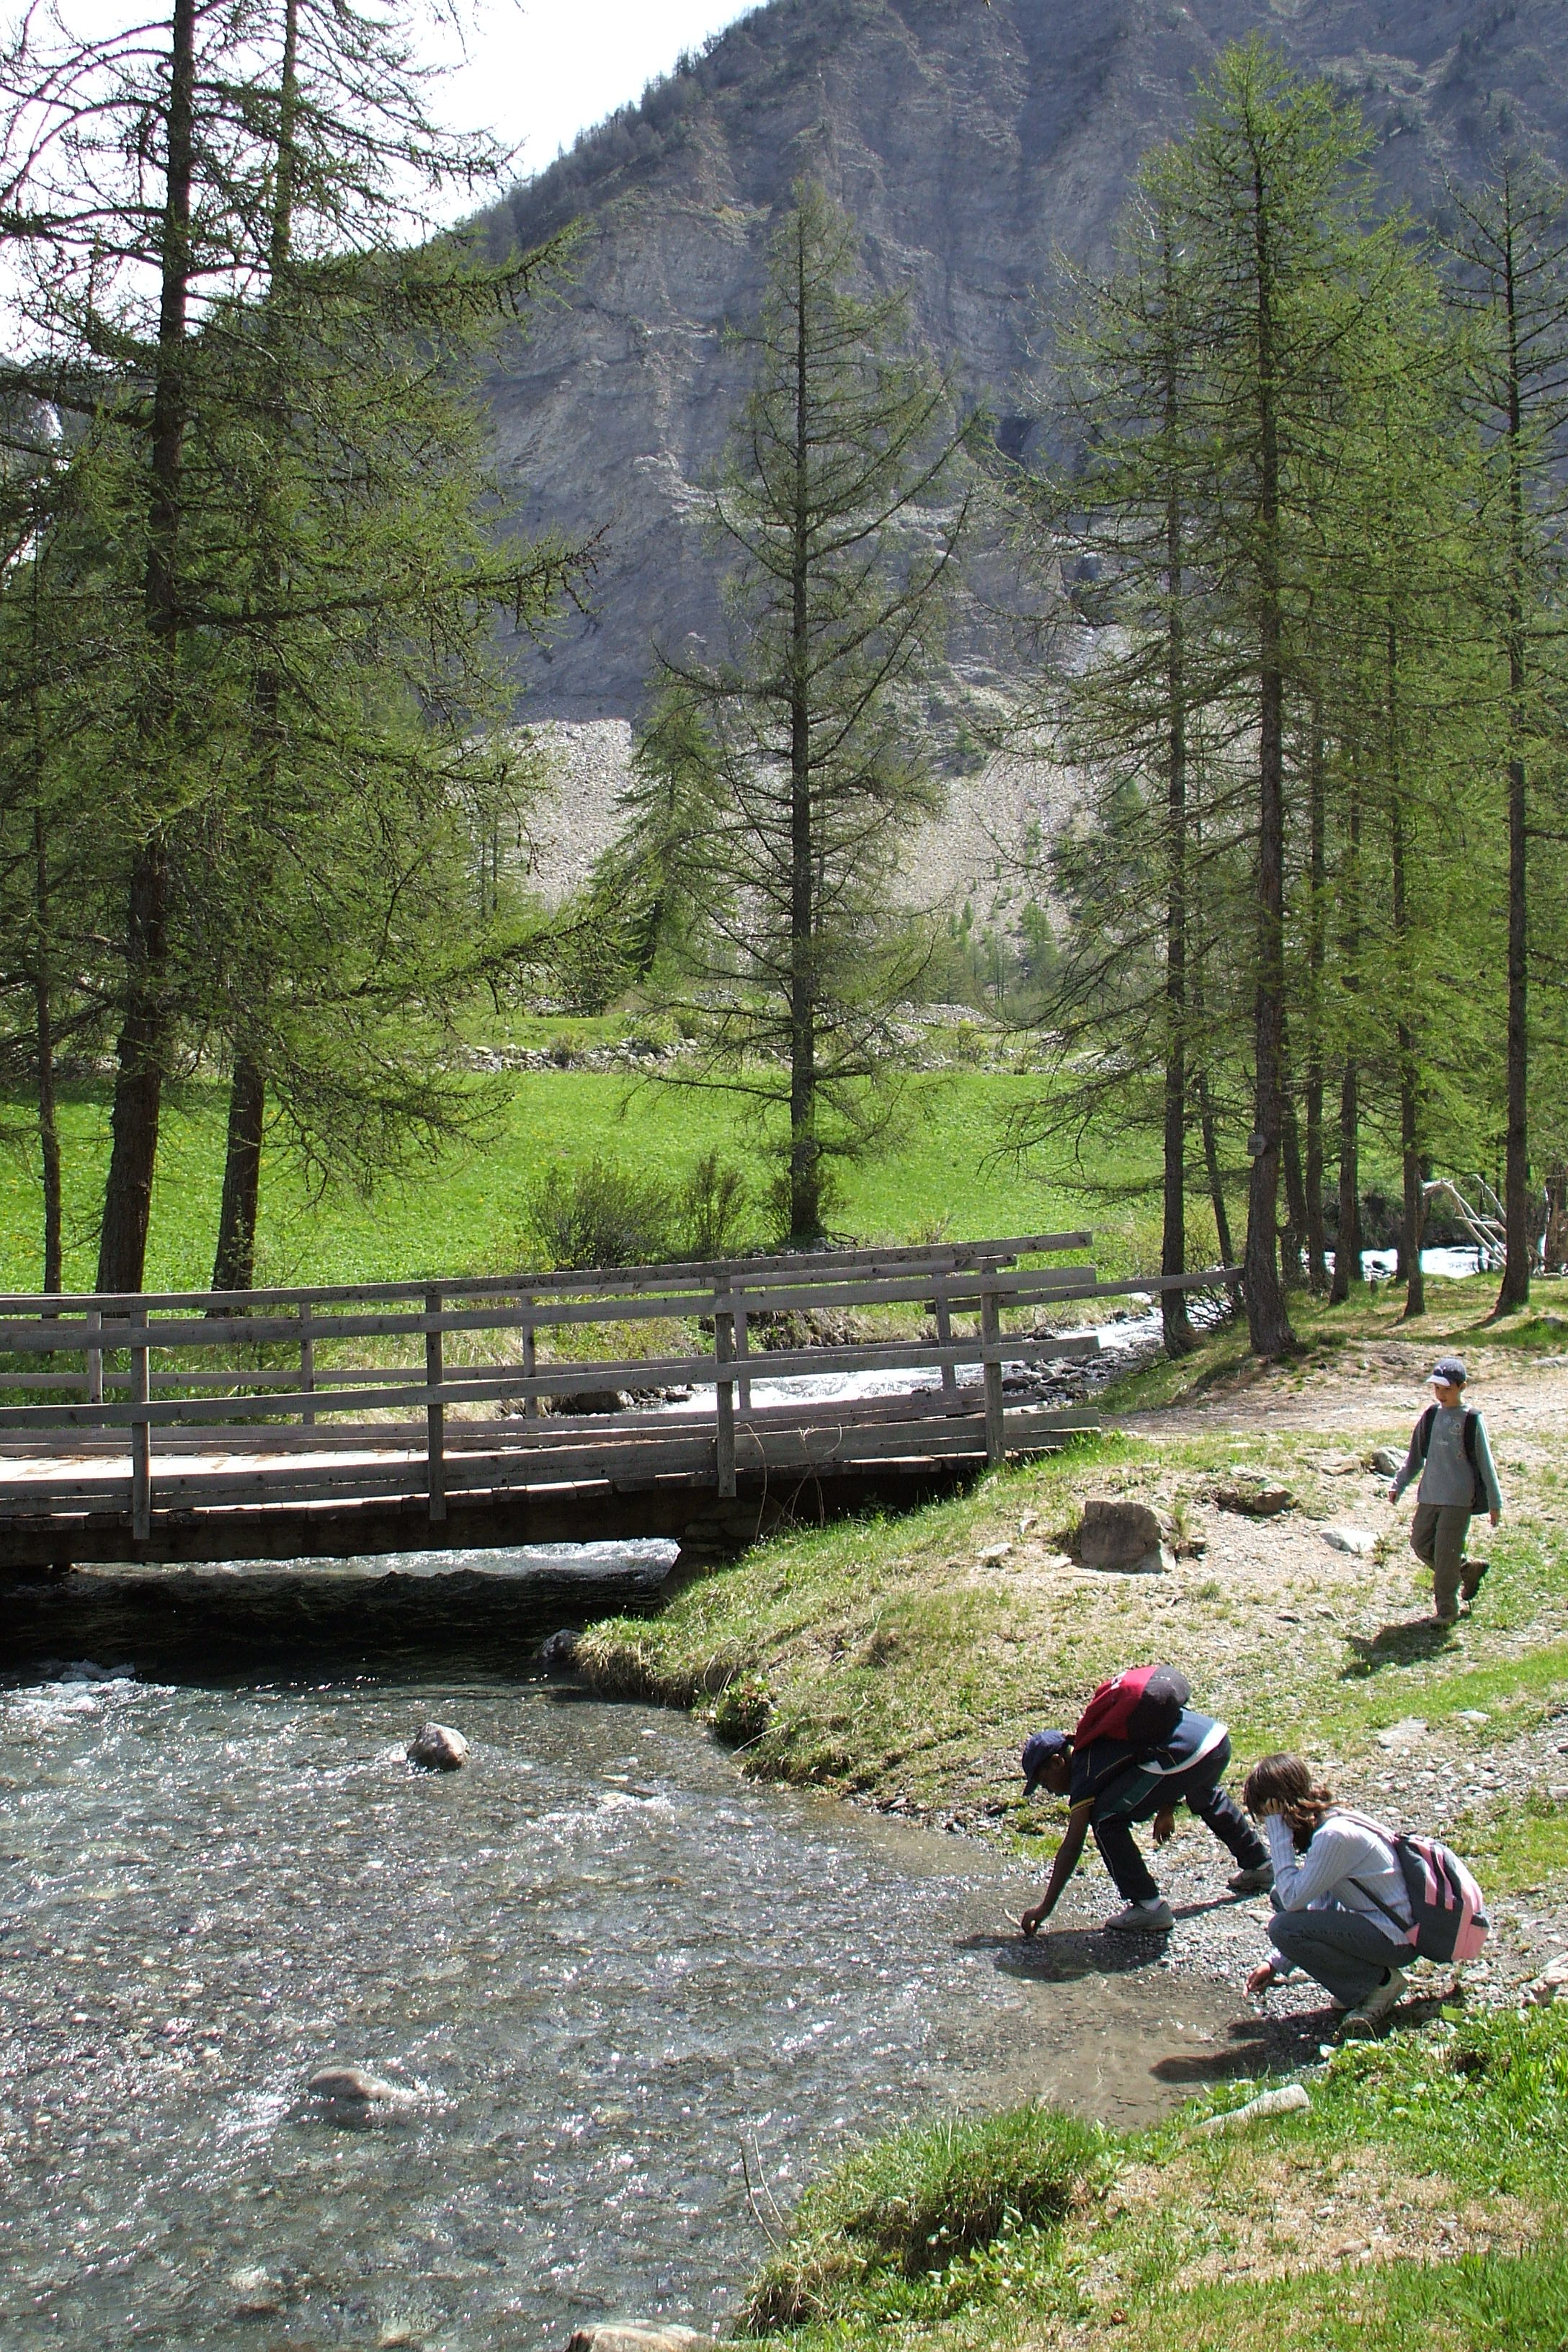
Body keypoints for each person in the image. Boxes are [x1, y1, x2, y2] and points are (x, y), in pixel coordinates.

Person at [1017, 1694, 1273, 1937]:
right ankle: (1260, 1865)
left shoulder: (1085, 1772)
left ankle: (1148, 1906)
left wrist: (1045, 1908)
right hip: (1213, 1740)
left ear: (1057, 1763)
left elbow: (1072, 1847)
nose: (1049, 1791)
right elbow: (1155, 1748)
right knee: (1202, 1793)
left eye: (1044, 1782)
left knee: (1104, 1818)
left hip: (1188, 1757)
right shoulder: (1093, 1740)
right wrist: (1166, 1807)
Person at [1241, 1752, 1412, 2038]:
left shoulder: (1333, 1836)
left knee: (1283, 1924)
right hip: (1380, 1927)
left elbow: (1295, 1900)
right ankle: (1358, 1984)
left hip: (1397, 1938)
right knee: (1282, 1900)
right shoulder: (1325, 1825)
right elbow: (1319, 1904)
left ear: (1280, 1807)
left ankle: (1381, 1983)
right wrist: (1274, 1963)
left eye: (1267, 1814)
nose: (1268, 1822)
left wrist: (1277, 1830)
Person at [1388, 1353, 1502, 1625]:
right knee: (1420, 1543)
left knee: (1446, 1553)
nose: (1441, 1395)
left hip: (1459, 1499)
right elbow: (1415, 1457)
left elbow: (1486, 1463)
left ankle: (1447, 1611)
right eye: (1437, 1388)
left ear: (1462, 1388)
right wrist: (1398, 1484)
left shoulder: (1471, 1419)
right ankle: (1467, 1570)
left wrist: (1495, 1503)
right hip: (1429, 1495)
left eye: (1447, 1389)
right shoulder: (1430, 1416)